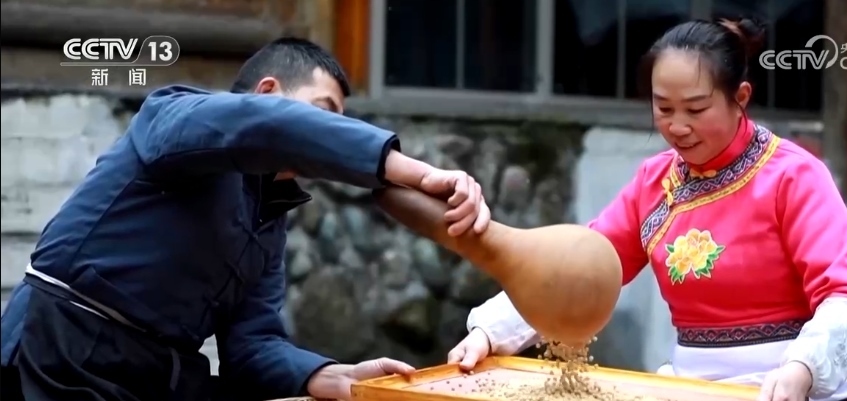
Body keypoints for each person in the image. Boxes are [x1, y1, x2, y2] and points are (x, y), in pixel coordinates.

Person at [0, 37, 491, 401]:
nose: (330, 135)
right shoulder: (173, 116)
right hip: (59, 354)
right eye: (324, 115)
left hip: (155, 380)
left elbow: (252, 345)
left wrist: (330, 375)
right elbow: (270, 127)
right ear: (266, 92)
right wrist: (418, 172)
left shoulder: (268, 217)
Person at [446, 18, 847, 401]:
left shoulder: (793, 176)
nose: (677, 126)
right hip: (689, 389)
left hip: (786, 387)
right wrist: (491, 332)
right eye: (663, 108)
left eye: (696, 109)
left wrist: (802, 369)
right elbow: (580, 271)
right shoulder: (654, 184)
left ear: (740, 97)